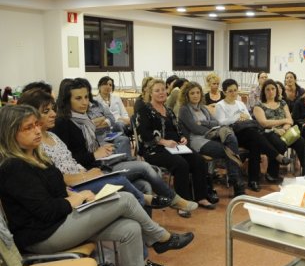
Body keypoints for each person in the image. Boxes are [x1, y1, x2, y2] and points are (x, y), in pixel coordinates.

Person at [0, 105, 195, 266]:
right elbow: (44, 211)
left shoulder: (37, 157)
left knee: (130, 228)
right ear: (10, 134)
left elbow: (55, 190)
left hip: (61, 222)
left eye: (37, 125)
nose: (38, 130)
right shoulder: (13, 167)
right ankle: (161, 238)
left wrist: (73, 196)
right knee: (126, 199)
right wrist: (76, 199)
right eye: (28, 128)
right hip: (43, 236)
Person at [18, 88, 175, 266]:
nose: (53, 114)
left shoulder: (52, 137)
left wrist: (90, 171)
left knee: (141, 189)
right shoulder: (31, 153)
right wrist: (83, 183)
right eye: (31, 125)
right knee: (130, 186)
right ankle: (159, 231)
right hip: (72, 195)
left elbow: (71, 164)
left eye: (52, 109)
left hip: (79, 185)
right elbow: (57, 186)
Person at [52, 78, 196, 217]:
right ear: (67, 100)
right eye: (78, 98)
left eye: (86, 97)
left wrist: (102, 150)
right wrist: (95, 154)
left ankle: (145, 234)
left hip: (100, 164)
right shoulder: (63, 123)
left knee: (145, 185)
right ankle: (174, 200)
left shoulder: (84, 120)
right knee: (145, 167)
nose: (84, 102)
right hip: (91, 172)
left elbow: (93, 141)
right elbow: (69, 160)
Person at [135, 78, 218, 214]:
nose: (161, 93)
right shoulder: (144, 110)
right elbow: (144, 134)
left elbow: (177, 130)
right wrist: (163, 141)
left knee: (199, 161)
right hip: (154, 149)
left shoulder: (168, 110)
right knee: (181, 164)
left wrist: (182, 138)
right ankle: (182, 203)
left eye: (163, 89)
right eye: (157, 90)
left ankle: (201, 197)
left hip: (175, 147)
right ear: (150, 93)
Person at [215, 79, 292, 191]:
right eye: (230, 91)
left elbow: (249, 119)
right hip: (232, 135)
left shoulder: (240, 103)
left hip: (247, 132)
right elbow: (221, 122)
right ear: (224, 92)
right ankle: (276, 156)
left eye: (235, 90)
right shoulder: (220, 105)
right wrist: (237, 117)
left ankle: (253, 181)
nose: (233, 93)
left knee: (255, 143)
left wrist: (243, 117)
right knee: (254, 136)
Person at [178, 81, 245, 196]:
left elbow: (216, 122)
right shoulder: (184, 109)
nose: (195, 95)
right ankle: (237, 184)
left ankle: (234, 183)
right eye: (192, 93)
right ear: (187, 95)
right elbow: (195, 129)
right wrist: (208, 127)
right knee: (230, 151)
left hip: (210, 138)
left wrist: (203, 122)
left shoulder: (203, 108)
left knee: (230, 139)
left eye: (198, 92)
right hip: (197, 142)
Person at [253, 79, 305, 178]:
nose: (271, 91)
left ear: (277, 90)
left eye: (273, 89)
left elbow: (290, 121)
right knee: (279, 143)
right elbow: (264, 123)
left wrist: (284, 129)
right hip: (268, 133)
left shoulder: (282, 103)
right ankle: (272, 173)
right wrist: (280, 125)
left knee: (301, 142)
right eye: (268, 89)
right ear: (263, 91)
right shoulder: (259, 106)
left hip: (284, 131)